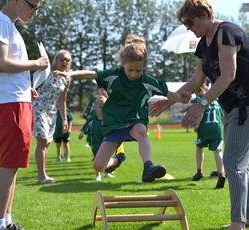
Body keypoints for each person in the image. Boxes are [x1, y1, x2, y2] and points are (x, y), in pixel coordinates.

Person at [150, 0, 249, 228]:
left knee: (233, 163)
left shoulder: (227, 32)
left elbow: (228, 75)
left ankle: (237, 224)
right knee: (239, 164)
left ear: (204, 14)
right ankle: (244, 219)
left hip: (246, 105)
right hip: (232, 107)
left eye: (190, 22)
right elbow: (196, 81)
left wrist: (201, 104)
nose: (188, 27)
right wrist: (170, 99)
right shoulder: (203, 45)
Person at [60, 41, 190, 182]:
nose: (134, 74)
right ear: (123, 64)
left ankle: (148, 166)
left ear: (143, 68)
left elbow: (171, 95)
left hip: (135, 122)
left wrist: (183, 99)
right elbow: (92, 74)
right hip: (114, 125)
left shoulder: (147, 81)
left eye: (138, 71)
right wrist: (71, 73)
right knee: (98, 166)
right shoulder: (113, 76)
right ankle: (117, 160)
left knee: (141, 131)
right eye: (130, 70)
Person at [0, 0, 48, 229]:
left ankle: (6, 221)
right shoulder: (1, 21)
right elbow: (1, 63)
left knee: (13, 164)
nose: (35, 13)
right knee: (9, 165)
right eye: (33, 6)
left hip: (17, 99)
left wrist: (25, 87)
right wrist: (35, 63)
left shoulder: (10, 25)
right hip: (11, 104)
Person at [33, 49, 71, 183]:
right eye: (62, 59)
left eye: (67, 60)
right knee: (42, 141)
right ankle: (41, 176)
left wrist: (65, 119)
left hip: (52, 113)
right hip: (38, 108)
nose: (65, 62)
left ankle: (43, 175)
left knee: (46, 144)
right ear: (56, 60)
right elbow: (33, 85)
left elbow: (62, 100)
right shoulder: (46, 71)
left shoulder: (66, 79)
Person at [80, 88, 126, 181]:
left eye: (103, 106)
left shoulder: (109, 117)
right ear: (95, 107)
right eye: (98, 105)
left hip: (107, 142)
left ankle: (107, 172)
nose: (100, 107)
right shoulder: (93, 117)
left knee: (108, 157)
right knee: (97, 158)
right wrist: (82, 132)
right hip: (96, 143)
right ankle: (98, 175)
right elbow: (87, 124)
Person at [191, 84, 225, 189]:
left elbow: (200, 113)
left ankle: (199, 171)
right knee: (218, 151)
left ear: (196, 91)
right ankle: (221, 174)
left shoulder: (197, 99)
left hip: (204, 128)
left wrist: (196, 124)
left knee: (199, 147)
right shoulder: (215, 100)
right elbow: (222, 115)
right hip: (217, 128)